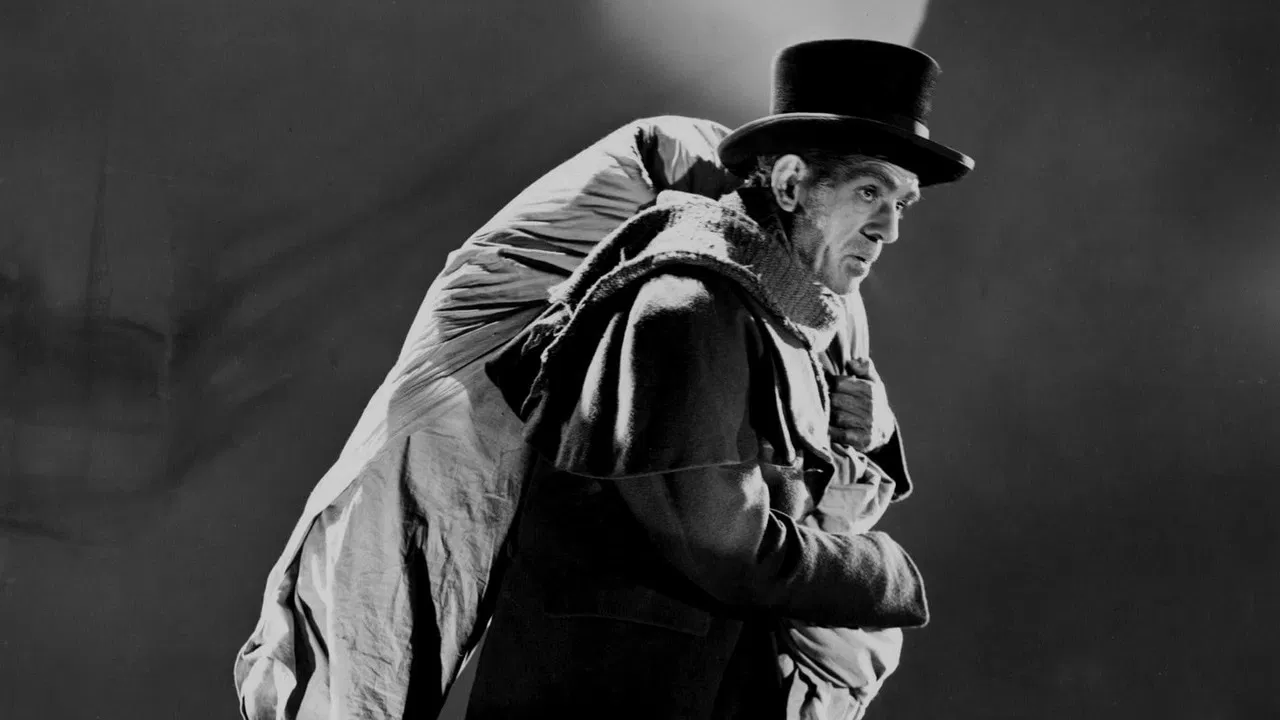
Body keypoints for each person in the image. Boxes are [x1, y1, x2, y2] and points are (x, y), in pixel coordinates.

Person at [471, 38, 974, 719]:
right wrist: (887, 576)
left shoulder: (775, 307)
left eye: (902, 203)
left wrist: (869, 430)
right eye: (869, 192)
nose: (889, 228)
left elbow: (789, 473)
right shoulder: (688, 308)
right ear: (790, 183)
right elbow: (726, 548)